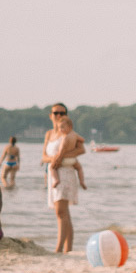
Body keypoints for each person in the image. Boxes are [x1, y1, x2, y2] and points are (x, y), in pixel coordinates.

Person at [42, 104, 87, 252]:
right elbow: (44, 157)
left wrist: (62, 157)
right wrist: (54, 159)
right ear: (50, 115)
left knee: (61, 211)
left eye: (62, 112)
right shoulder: (49, 134)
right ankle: (68, 249)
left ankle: (59, 248)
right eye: (56, 113)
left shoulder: (69, 132)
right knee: (63, 212)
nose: (59, 115)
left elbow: (82, 149)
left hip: (66, 173)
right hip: (53, 173)